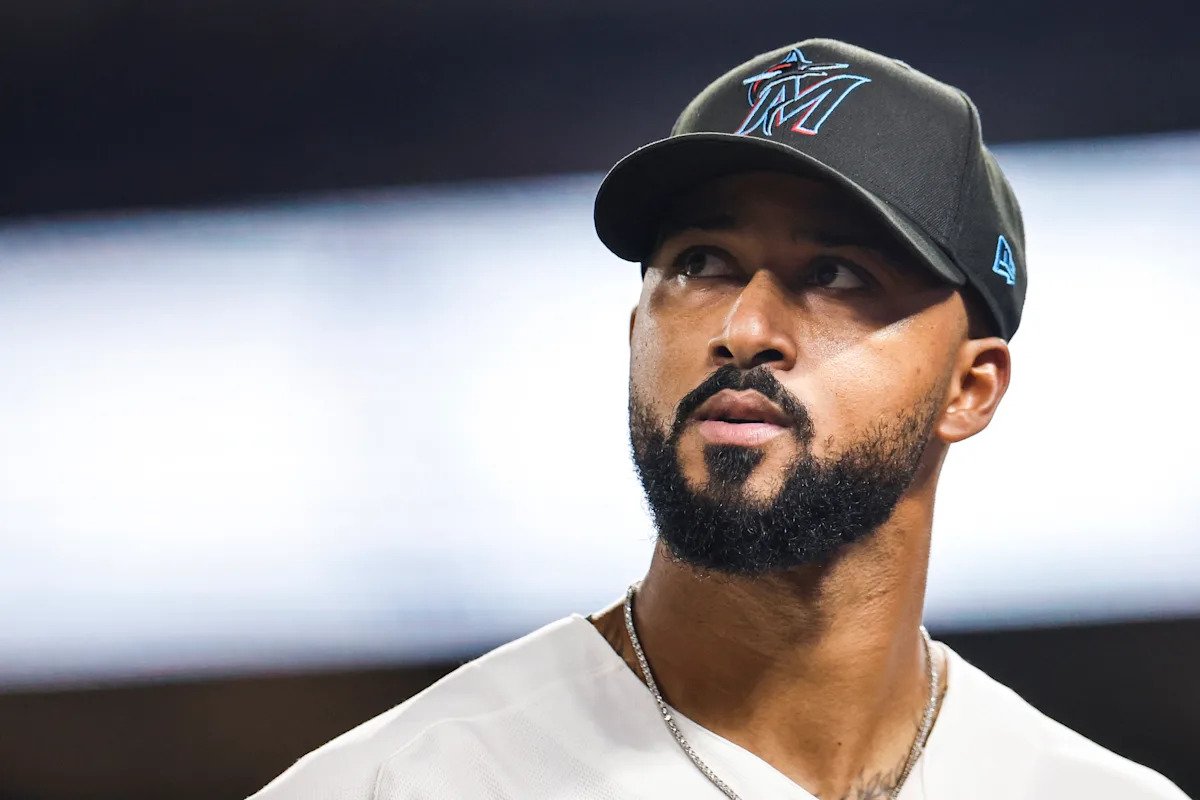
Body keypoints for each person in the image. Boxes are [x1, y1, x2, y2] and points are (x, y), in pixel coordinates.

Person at [250, 38, 1188, 800]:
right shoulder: (397, 786)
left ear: (970, 388)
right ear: (636, 331)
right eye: (700, 263)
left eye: (837, 275)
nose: (744, 329)